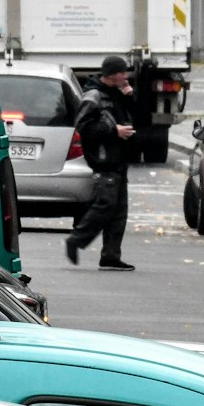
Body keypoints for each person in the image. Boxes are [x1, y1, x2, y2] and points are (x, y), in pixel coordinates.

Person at [67, 55, 137, 271]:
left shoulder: (118, 94)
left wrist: (130, 97)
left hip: (119, 158)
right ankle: (76, 240)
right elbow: (84, 127)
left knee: (119, 211)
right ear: (111, 74)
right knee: (105, 206)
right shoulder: (94, 95)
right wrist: (113, 131)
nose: (125, 77)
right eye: (122, 72)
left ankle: (111, 256)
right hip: (104, 159)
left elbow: (139, 118)